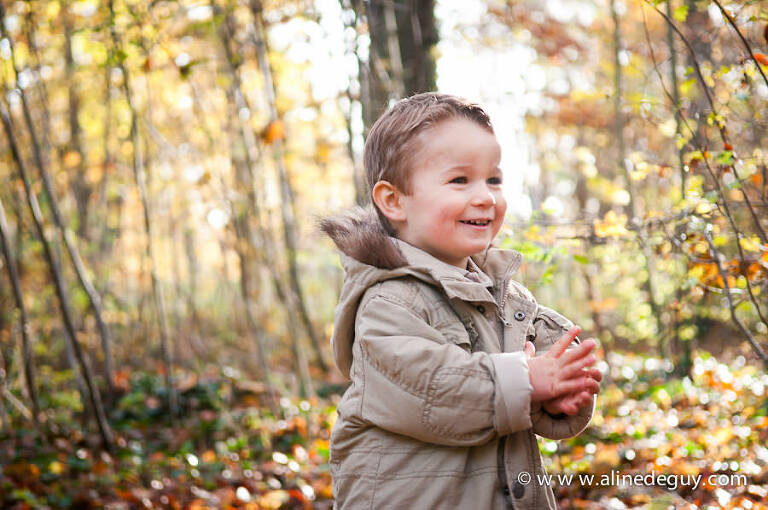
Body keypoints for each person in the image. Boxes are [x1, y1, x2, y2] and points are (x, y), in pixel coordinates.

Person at [320, 92, 602, 509]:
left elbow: (544, 355)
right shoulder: (388, 302)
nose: (486, 196)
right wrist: (528, 381)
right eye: (460, 180)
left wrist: (559, 396)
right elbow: (436, 390)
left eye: (493, 179)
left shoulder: (504, 294)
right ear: (394, 201)